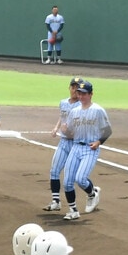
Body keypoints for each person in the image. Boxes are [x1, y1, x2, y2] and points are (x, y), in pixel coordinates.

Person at [61, 80, 113, 221]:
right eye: (79, 93)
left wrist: (99, 142)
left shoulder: (98, 110)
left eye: (84, 94)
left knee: (80, 179)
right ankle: (73, 210)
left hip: (90, 148)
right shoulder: (74, 112)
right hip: (76, 147)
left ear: (90, 94)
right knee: (67, 182)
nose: (81, 96)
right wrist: (65, 131)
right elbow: (70, 133)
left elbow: (108, 130)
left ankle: (92, 194)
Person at [44, 77, 84, 214]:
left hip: (76, 145)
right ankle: (56, 201)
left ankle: (92, 191)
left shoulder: (82, 106)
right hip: (64, 142)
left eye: (77, 88)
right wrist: (56, 128)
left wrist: (72, 132)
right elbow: (62, 117)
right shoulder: (63, 103)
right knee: (54, 170)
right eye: (73, 87)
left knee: (74, 176)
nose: (75, 90)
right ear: (69, 88)